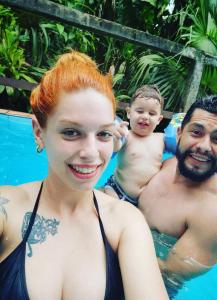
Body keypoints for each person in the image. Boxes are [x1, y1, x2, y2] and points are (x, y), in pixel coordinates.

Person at [0, 51, 169, 300]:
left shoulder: (127, 223)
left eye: (103, 134)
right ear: (39, 132)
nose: (91, 153)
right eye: (71, 132)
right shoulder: (6, 208)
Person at [139, 95, 217, 299]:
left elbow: (167, 274)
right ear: (178, 134)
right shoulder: (163, 165)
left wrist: (114, 232)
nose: (204, 145)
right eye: (196, 132)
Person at [103, 85, 164, 206]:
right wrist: (115, 137)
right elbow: (113, 150)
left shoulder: (161, 139)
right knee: (111, 210)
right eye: (140, 111)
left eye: (152, 114)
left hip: (142, 201)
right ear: (129, 113)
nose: (145, 116)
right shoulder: (126, 135)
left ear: (159, 119)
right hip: (116, 190)